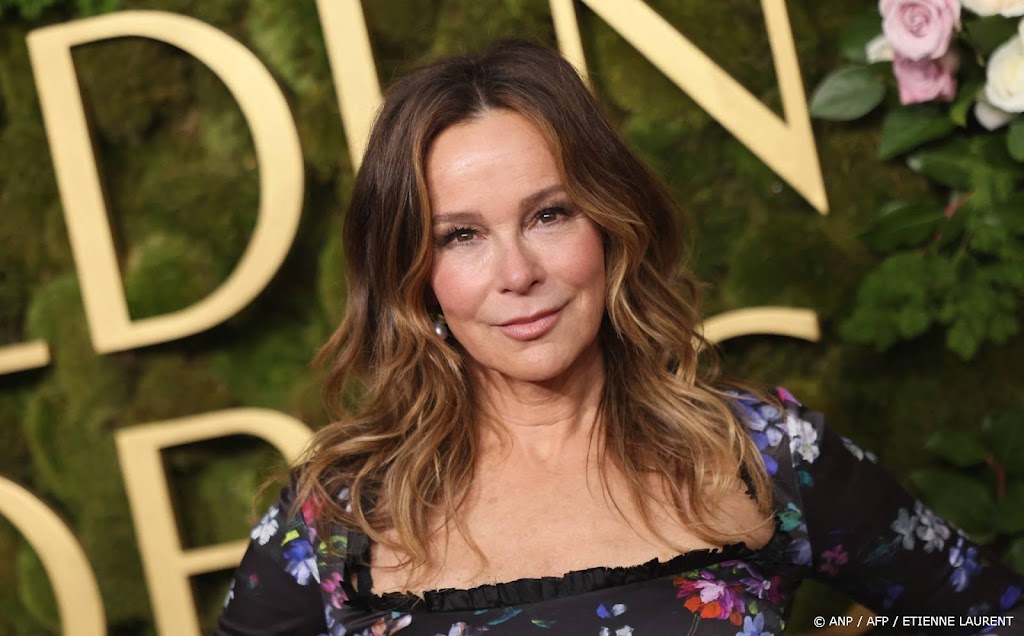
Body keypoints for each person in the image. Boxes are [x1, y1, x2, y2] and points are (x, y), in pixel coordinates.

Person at [216, 40, 1023, 635]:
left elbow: (988, 615)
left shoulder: (762, 453)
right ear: (413, 272)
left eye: (549, 214)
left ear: (611, 224)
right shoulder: (340, 510)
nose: (517, 273)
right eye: (461, 235)